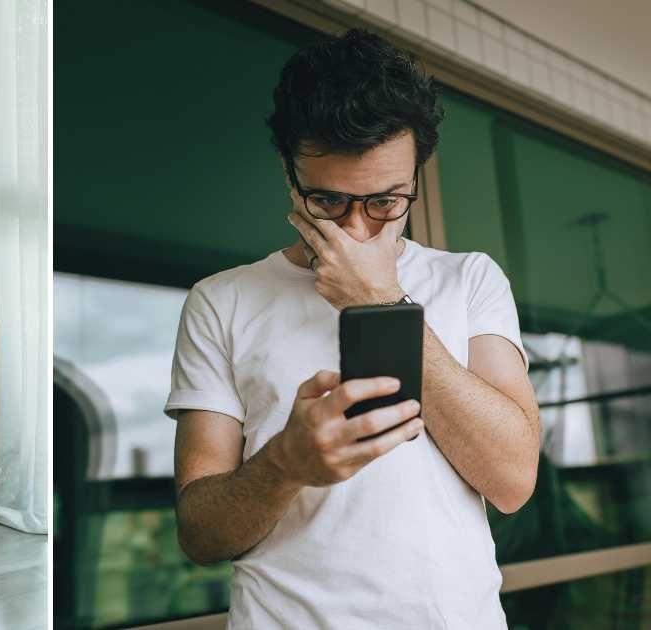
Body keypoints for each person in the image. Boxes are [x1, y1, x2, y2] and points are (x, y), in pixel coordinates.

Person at [166, 29, 540, 628]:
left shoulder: (470, 279)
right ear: (289, 174)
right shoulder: (221, 301)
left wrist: (381, 300)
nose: (358, 230)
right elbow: (200, 535)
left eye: (385, 203)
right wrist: (286, 463)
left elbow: (514, 481)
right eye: (329, 202)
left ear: (415, 178)